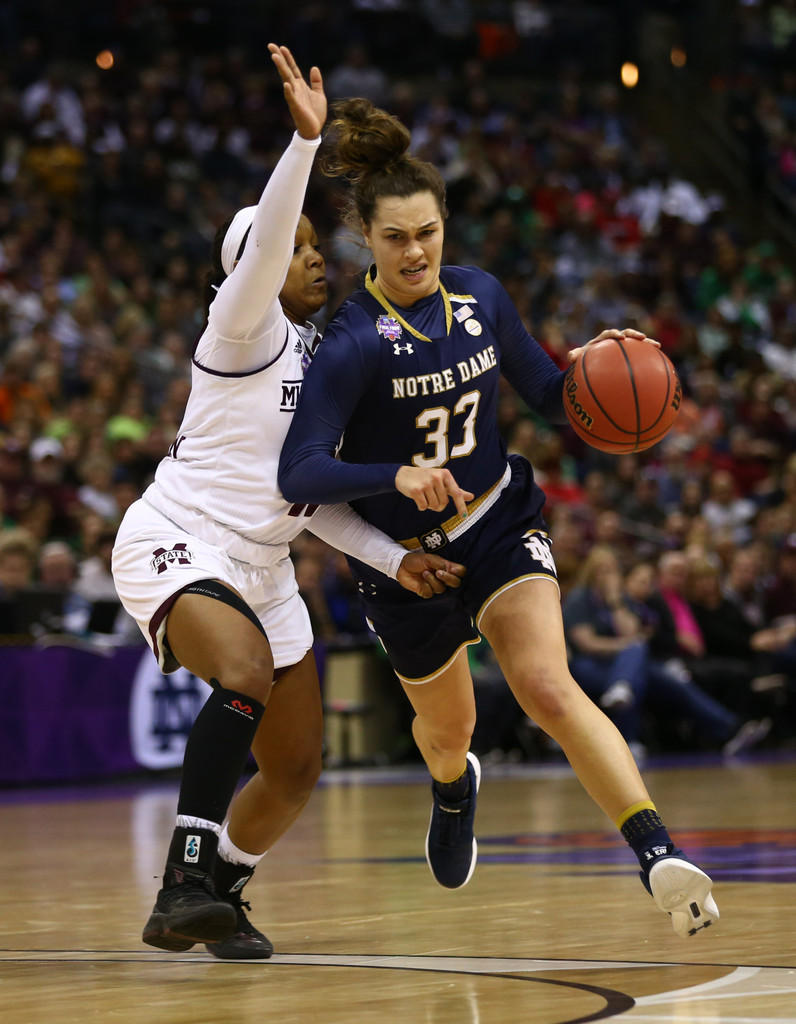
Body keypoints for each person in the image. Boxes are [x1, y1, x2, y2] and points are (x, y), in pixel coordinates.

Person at [279, 97, 719, 938]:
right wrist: (396, 473)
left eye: (429, 233)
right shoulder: (352, 341)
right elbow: (297, 471)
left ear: (446, 228)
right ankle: (454, 785)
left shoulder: (482, 297)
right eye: (398, 237)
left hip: (498, 520)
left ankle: (658, 852)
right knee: (449, 734)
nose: (416, 251)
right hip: (404, 562)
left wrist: (600, 368)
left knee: (549, 687)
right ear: (366, 239)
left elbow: (555, 398)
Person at [112, 49, 464, 961]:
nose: (315, 261)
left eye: (318, 249)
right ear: (251, 272)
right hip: (180, 538)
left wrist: (396, 558)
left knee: (297, 764)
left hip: (265, 562)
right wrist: (304, 143)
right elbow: (265, 243)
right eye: (299, 250)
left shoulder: (319, 362)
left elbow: (311, 503)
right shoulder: (239, 330)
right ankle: (183, 878)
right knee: (242, 672)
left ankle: (215, 893)